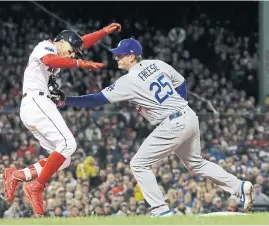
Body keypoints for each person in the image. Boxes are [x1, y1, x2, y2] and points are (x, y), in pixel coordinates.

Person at [53, 38, 254, 216]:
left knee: (138, 164)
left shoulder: (129, 81)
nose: (116, 58)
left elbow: (97, 100)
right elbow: (181, 83)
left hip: (172, 122)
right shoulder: (157, 64)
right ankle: (239, 186)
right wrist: (177, 107)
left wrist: (66, 101)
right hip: (189, 116)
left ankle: (160, 210)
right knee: (197, 164)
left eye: (120, 55)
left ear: (132, 57)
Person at [2, 23, 122, 215]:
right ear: (62, 41)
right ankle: (36, 186)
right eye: (72, 50)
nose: (73, 54)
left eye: (75, 53)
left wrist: (103, 32)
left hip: (36, 106)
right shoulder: (46, 45)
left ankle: (16, 175)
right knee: (68, 144)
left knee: (63, 159)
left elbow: (82, 42)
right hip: (36, 101)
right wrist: (80, 63)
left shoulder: (60, 52)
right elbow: (50, 60)